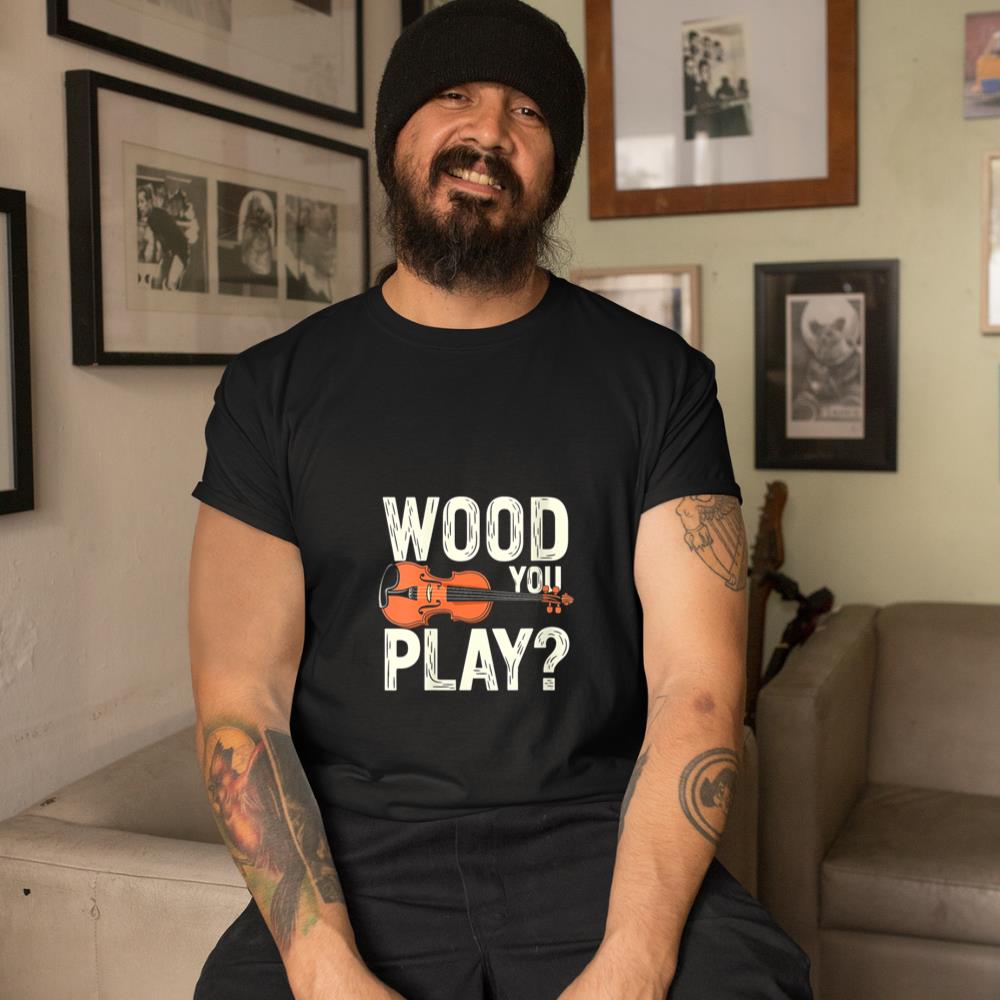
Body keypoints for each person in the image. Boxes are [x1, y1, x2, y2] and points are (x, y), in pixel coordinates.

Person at [188, 2, 814, 999]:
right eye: (454, 97)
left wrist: (635, 959)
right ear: (395, 137)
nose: (488, 132)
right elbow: (241, 701)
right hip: (359, 852)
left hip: (597, 838)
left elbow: (696, 687)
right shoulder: (272, 391)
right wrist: (321, 965)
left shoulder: (662, 382)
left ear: (555, 168)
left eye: (527, 111)